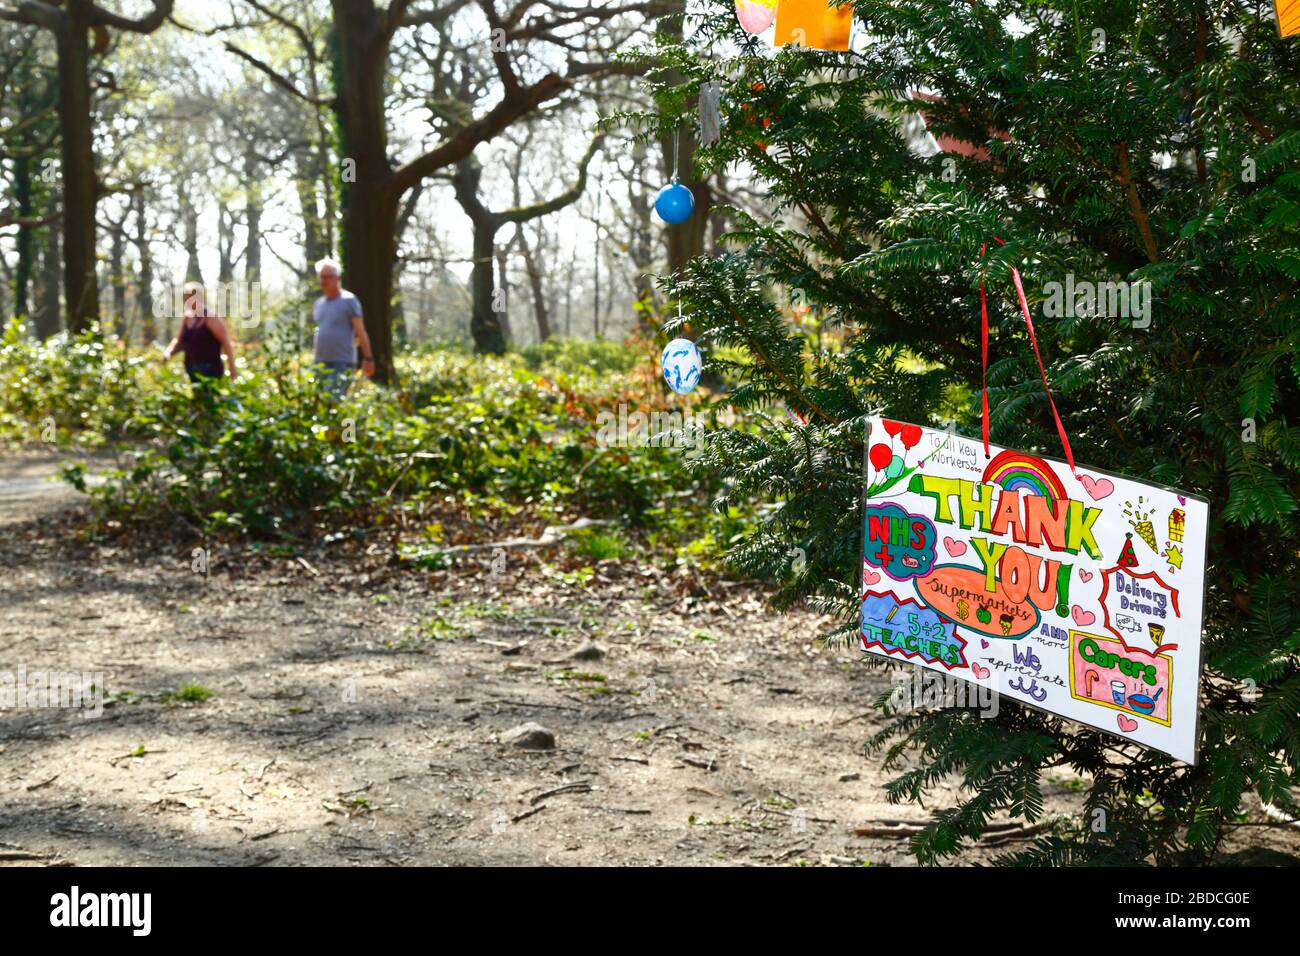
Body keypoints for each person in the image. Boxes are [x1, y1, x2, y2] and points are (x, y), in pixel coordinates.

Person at [311, 258, 375, 396]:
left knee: (335, 401)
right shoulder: (319, 304)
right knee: (319, 403)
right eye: (321, 277)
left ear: (337, 278)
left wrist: (368, 358)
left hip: (341, 363)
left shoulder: (349, 301)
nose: (324, 280)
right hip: (320, 363)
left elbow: (360, 332)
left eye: (328, 276)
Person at [162, 282, 238, 389]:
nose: (187, 301)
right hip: (191, 367)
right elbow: (179, 340)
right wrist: (168, 352)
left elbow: (226, 342)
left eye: (190, 297)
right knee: (197, 400)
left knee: (209, 400)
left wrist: (232, 368)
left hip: (210, 368)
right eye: (185, 297)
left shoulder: (211, 318)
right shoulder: (187, 318)